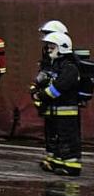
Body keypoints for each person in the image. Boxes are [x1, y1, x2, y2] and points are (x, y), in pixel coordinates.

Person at [34, 31, 84, 176]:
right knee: (55, 137)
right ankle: (56, 162)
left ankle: (72, 166)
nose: (49, 50)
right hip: (54, 110)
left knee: (67, 138)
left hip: (66, 111)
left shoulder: (70, 67)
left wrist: (41, 95)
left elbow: (59, 88)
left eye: (52, 47)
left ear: (61, 47)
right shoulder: (55, 65)